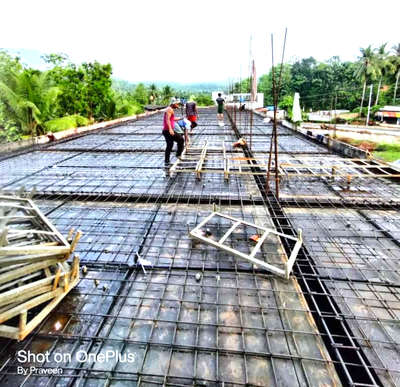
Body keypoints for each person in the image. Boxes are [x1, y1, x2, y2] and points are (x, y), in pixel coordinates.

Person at [163, 97, 184, 166]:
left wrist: (179, 118)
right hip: (168, 131)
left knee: (170, 145)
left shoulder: (170, 109)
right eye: (177, 104)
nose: (178, 105)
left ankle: (167, 161)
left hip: (167, 131)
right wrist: (170, 129)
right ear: (173, 104)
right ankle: (178, 154)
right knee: (181, 139)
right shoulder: (169, 109)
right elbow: (167, 120)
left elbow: (171, 119)